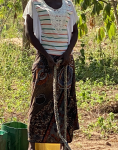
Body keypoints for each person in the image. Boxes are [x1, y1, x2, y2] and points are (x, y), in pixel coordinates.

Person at [23, 0, 79, 149]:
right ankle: (33, 145)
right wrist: (46, 56)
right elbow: (29, 33)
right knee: (38, 104)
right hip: (44, 61)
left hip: (65, 63)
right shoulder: (35, 4)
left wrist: (67, 54)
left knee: (64, 104)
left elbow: (75, 32)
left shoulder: (68, 5)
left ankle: (62, 142)